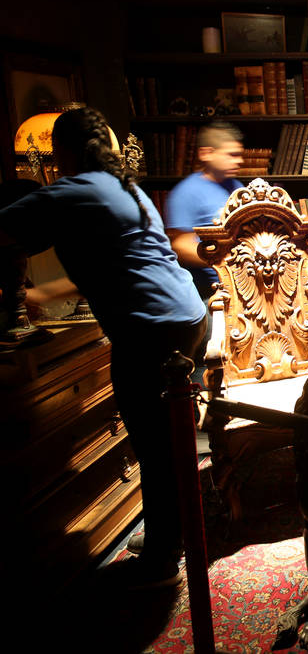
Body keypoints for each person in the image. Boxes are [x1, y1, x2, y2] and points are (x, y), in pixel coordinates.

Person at [0, 107, 206, 589]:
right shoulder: (126, 189)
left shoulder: (70, 192)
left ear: (62, 152)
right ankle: (174, 532)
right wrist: (46, 295)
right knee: (170, 440)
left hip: (150, 329)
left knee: (153, 446)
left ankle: (161, 557)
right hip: (188, 318)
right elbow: (116, 261)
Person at [164, 121, 245, 301]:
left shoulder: (236, 187)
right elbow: (180, 246)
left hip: (242, 288)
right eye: (232, 155)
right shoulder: (186, 192)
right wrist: (229, 258)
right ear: (206, 153)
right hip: (210, 294)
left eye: (239, 155)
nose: (239, 160)